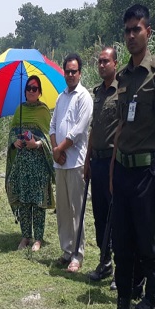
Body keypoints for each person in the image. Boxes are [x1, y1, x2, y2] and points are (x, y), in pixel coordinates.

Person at [110, 4, 155, 309]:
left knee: (149, 244)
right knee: (122, 242)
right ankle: (124, 298)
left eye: (137, 29)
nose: (131, 35)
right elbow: (122, 126)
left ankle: (154, 300)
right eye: (127, 30)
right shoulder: (123, 76)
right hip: (123, 171)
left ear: (148, 32)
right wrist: (112, 169)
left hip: (147, 174)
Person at [49, 53, 93, 273]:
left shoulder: (84, 97)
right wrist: (55, 151)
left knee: (77, 210)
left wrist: (59, 149)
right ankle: (66, 251)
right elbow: (53, 126)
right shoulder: (61, 97)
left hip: (76, 162)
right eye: (67, 71)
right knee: (64, 210)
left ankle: (78, 254)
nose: (70, 75)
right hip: (60, 163)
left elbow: (78, 131)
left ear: (80, 73)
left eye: (73, 71)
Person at [5, 75, 55, 252]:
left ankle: (38, 238)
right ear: (25, 91)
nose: (31, 91)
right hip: (22, 163)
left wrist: (38, 143)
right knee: (25, 200)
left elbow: (50, 137)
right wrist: (14, 142)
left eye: (35, 88)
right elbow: (11, 133)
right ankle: (26, 236)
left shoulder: (44, 111)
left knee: (38, 201)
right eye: (29, 88)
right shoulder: (19, 110)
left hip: (39, 163)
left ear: (40, 92)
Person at [85, 46, 119, 288]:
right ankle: (104, 261)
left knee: (115, 216)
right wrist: (87, 159)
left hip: (113, 162)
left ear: (115, 63)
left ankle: (122, 267)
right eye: (99, 62)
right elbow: (93, 129)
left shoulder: (122, 92)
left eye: (106, 61)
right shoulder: (97, 93)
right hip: (96, 160)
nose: (102, 65)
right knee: (99, 215)